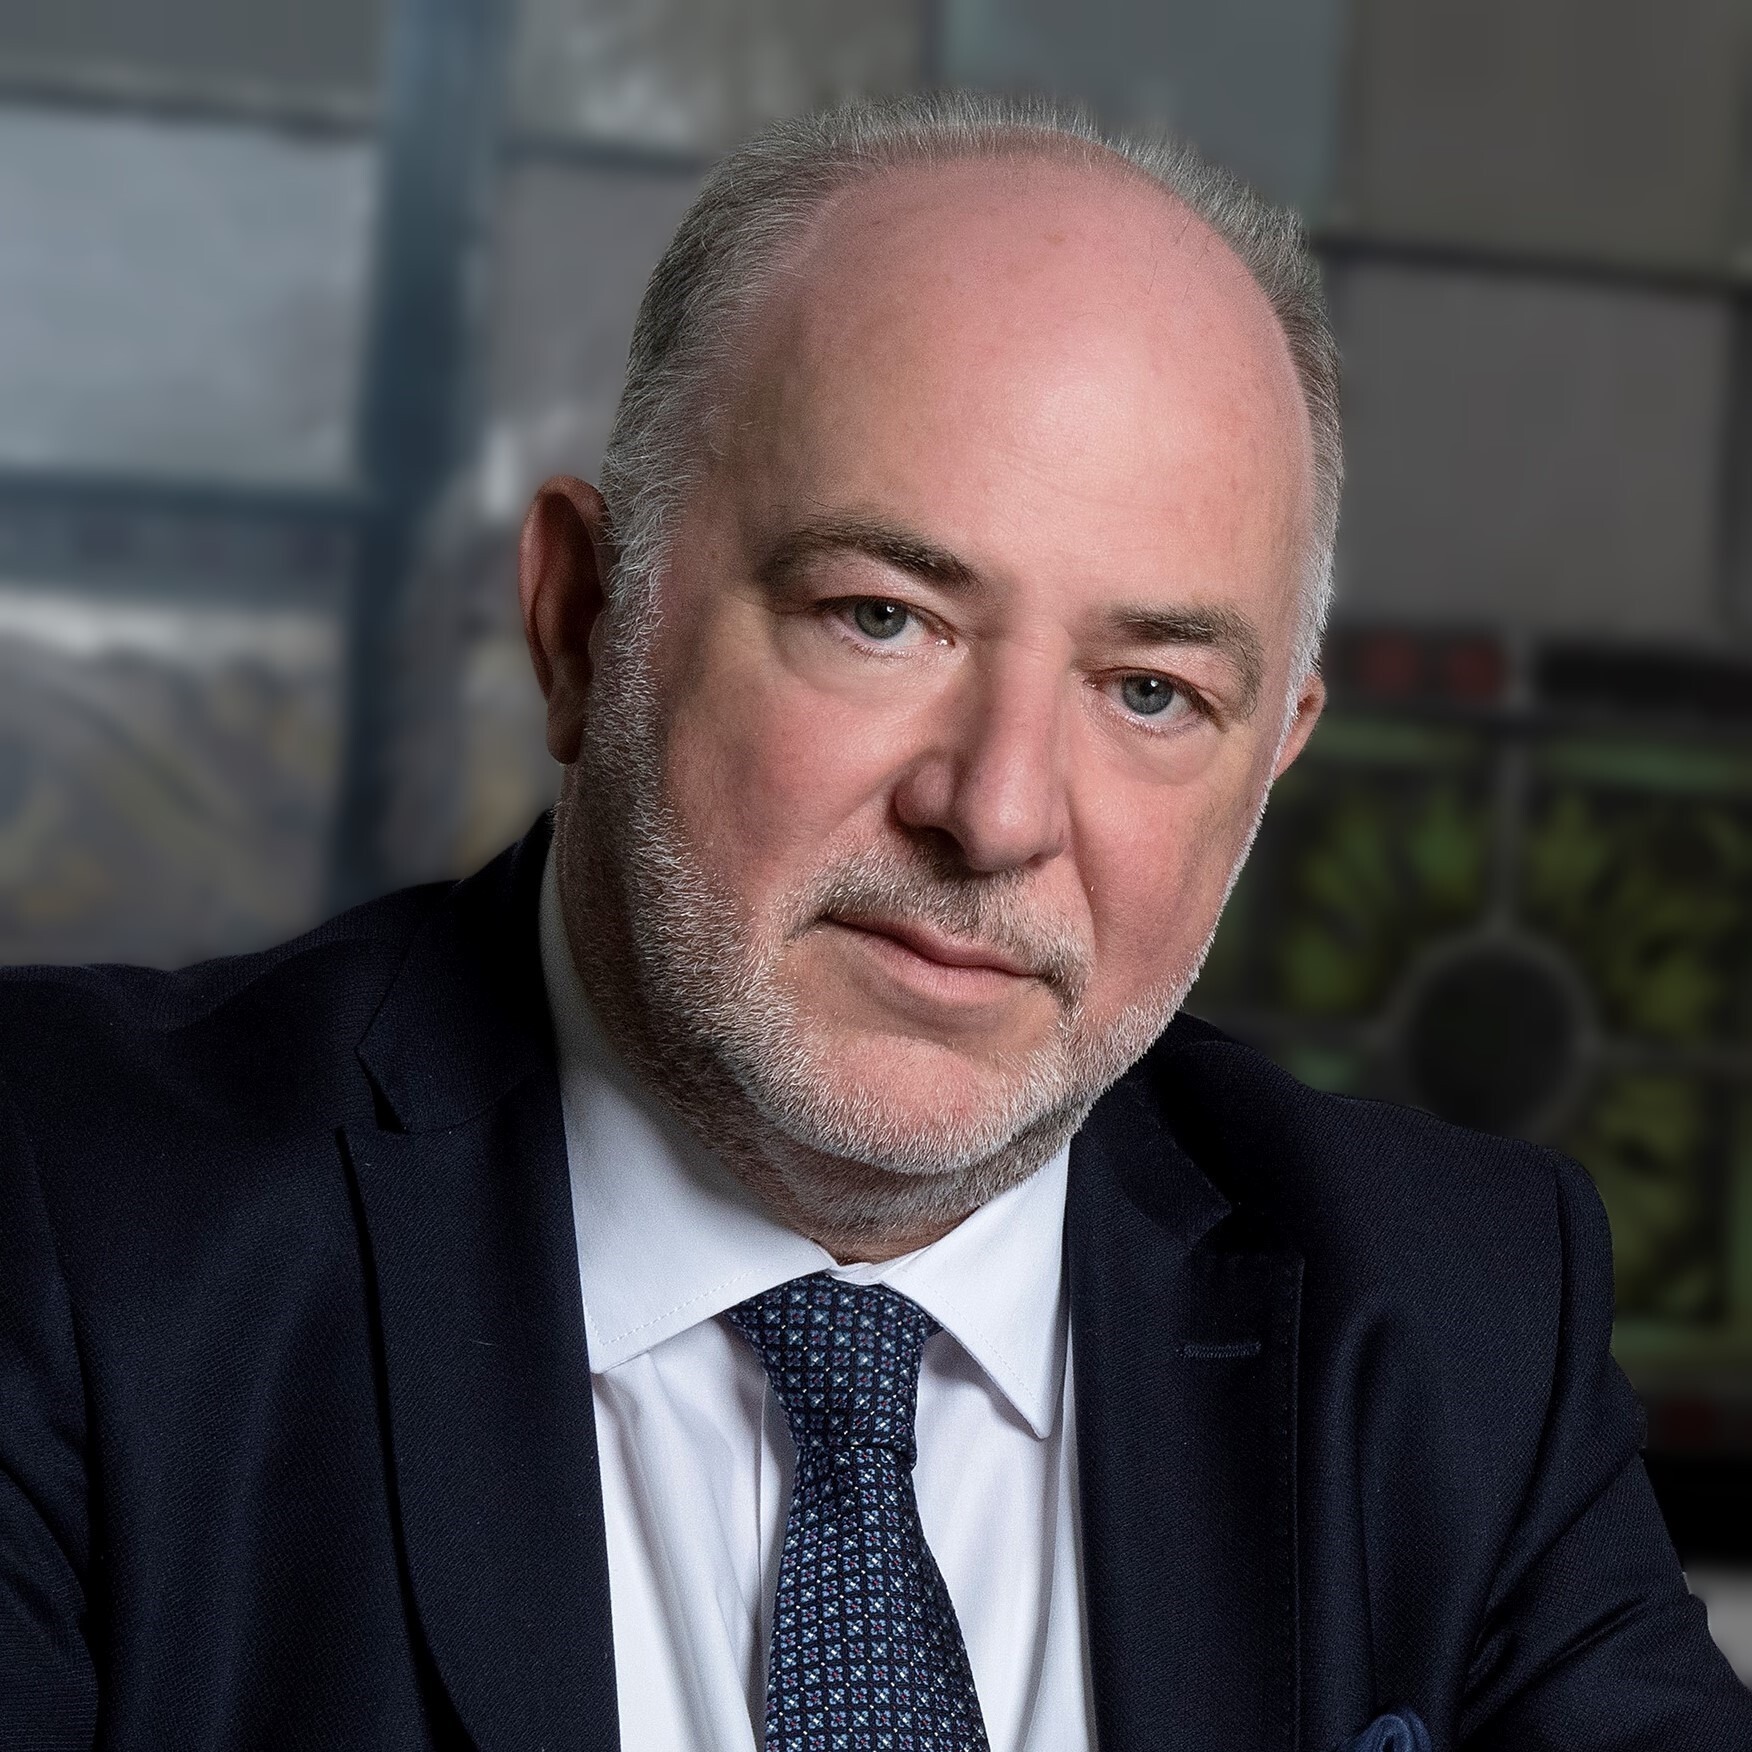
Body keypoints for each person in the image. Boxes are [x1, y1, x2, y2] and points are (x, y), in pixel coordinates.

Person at [2, 92, 1747, 1752]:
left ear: (1269, 762)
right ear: (584, 621)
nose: (997, 815)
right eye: (883, 617)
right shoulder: (71, 1225)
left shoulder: (1456, 1323)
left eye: (1149, 691)